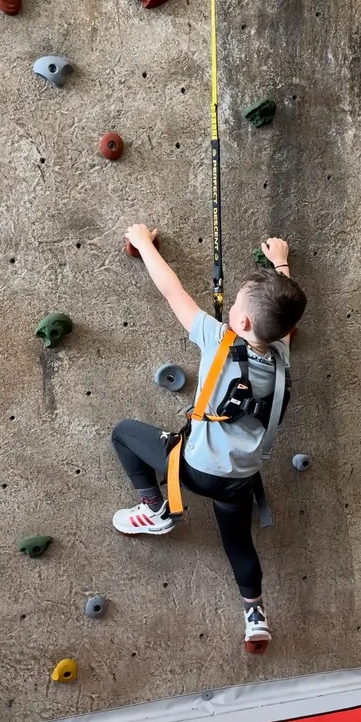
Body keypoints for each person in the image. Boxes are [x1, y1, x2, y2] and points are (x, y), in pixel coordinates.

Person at [111, 224, 307, 653]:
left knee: (124, 433)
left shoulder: (217, 340)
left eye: (234, 303)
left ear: (242, 321)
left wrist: (144, 242)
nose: (230, 307)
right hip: (238, 483)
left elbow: (172, 292)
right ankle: (255, 617)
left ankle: (155, 507)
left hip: (193, 473)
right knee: (239, 543)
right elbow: (284, 317)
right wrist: (280, 264)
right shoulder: (281, 355)